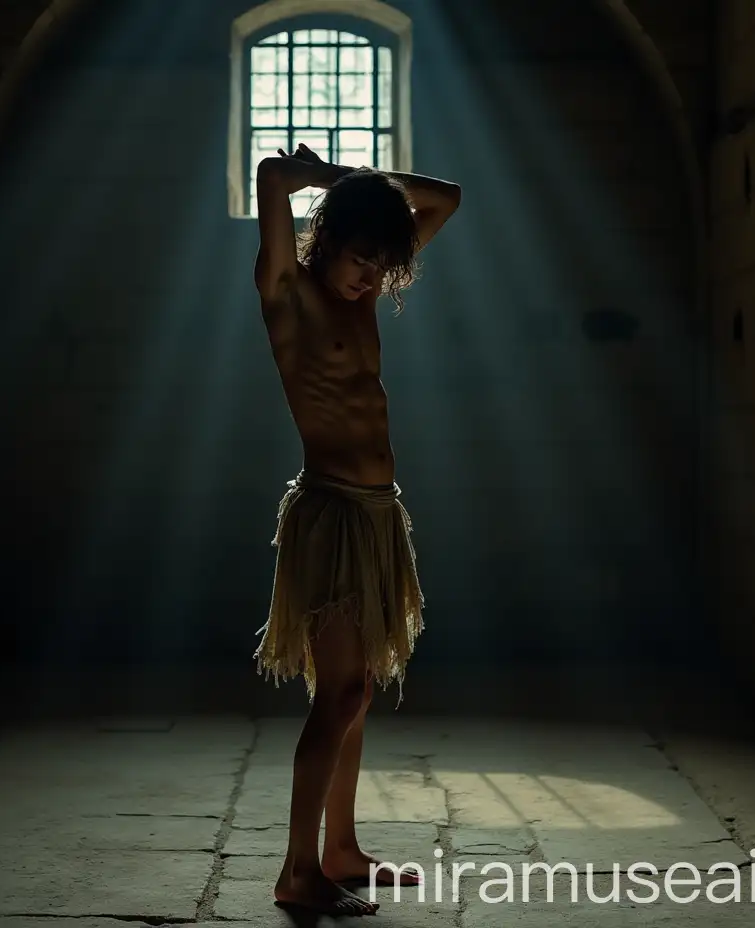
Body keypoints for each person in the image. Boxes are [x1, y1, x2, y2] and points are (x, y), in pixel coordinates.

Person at [250, 142, 461, 915]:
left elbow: (447, 197)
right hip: (332, 512)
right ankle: (298, 872)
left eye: (382, 264)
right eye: (360, 258)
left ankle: (341, 846)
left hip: (378, 515)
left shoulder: (361, 301)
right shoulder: (288, 295)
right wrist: (344, 186)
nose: (371, 276)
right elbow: (274, 176)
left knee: (358, 690)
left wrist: (362, 191)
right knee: (336, 692)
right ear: (329, 237)